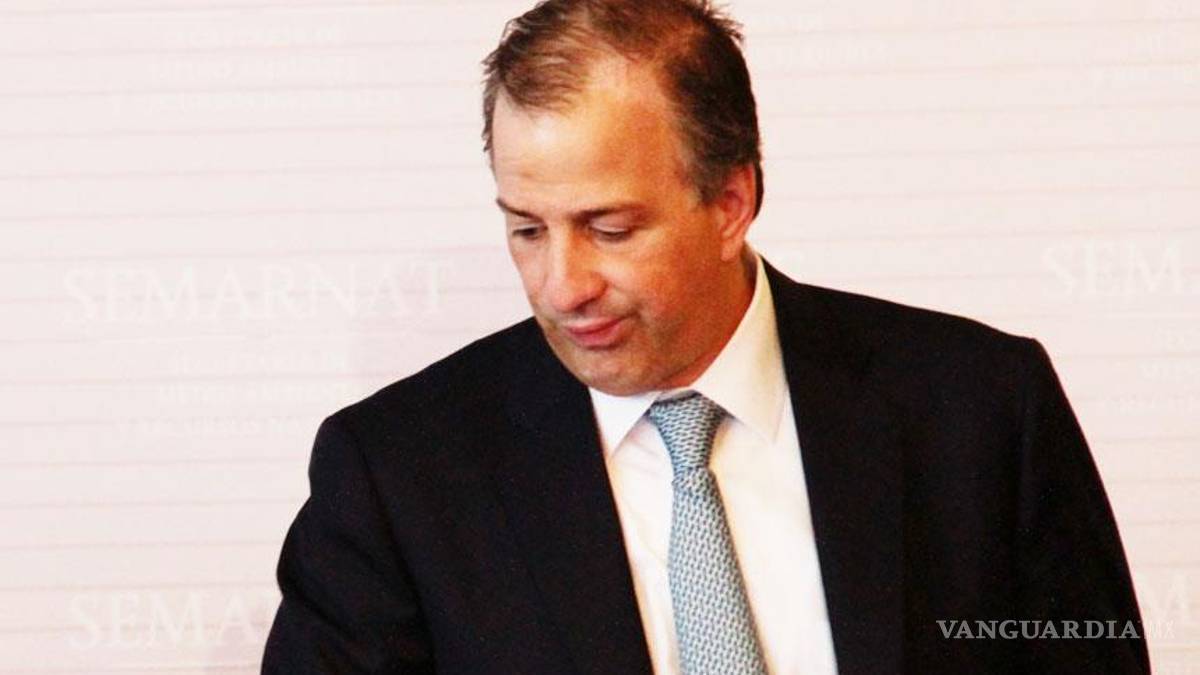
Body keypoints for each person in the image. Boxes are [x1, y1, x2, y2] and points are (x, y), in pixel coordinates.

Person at [261, 1, 1149, 673]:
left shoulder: (981, 411)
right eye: (526, 229)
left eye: (609, 228)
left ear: (731, 202)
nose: (562, 286)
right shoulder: (398, 473)